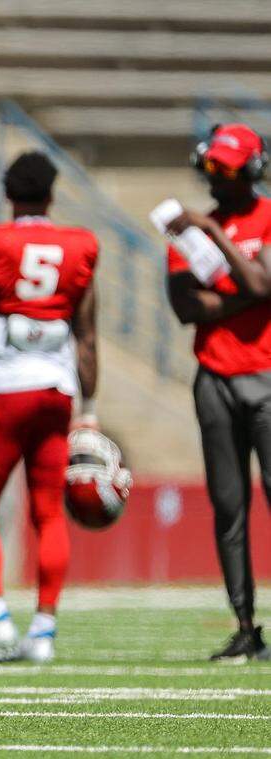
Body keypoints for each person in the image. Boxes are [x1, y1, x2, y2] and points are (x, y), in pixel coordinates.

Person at [0, 151, 99, 664]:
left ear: (8, 195)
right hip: (57, 391)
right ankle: (44, 631)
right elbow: (88, 335)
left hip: (5, 386)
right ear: (52, 195)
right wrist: (89, 406)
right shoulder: (79, 247)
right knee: (48, 512)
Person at [166, 123, 271, 662]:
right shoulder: (184, 234)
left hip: (267, 375)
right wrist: (251, 295)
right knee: (228, 506)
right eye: (213, 167)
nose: (217, 178)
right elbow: (188, 308)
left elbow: (262, 284)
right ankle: (246, 627)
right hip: (214, 378)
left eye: (228, 168)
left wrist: (214, 232)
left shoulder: (261, 217)